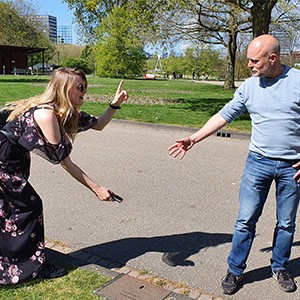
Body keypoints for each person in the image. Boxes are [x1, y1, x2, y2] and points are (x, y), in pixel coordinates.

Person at [168, 34, 300, 295]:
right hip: (258, 163)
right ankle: (235, 269)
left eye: (254, 61)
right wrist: (194, 138)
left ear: (272, 58)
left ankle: (280, 266)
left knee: (286, 223)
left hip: (291, 168)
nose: (249, 65)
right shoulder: (250, 86)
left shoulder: (297, 81)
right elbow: (224, 115)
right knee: (245, 220)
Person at [0, 67, 128, 285]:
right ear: (64, 88)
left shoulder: (64, 112)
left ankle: (18, 261)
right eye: (79, 87)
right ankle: (27, 267)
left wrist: (114, 104)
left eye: (84, 86)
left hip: (12, 158)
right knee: (28, 206)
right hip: (4, 160)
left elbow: (98, 124)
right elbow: (65, 162)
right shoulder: (47, 113)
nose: (84, 90)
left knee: (12, 209)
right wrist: (96, 188)